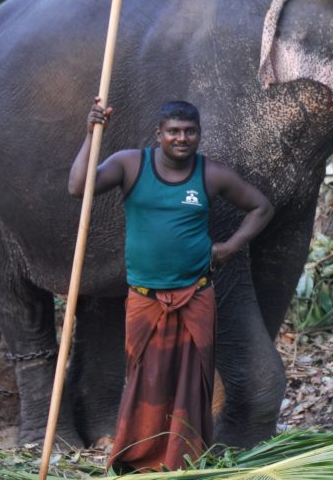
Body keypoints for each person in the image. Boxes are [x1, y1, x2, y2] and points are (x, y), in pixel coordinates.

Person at [68, 98, 273, 471]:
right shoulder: (132, 164)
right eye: (174, 132)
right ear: (158, 135)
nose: (182, 139)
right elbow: (79, 186)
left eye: (189, 132)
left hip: (196, 295)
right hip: (145, 299)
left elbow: (261, 206)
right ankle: (140, 459)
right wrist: (90, 134)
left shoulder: (210, 175)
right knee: (147, 380)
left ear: (199, 135)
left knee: (193, 384)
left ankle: (184, 460)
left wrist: (231, 246)